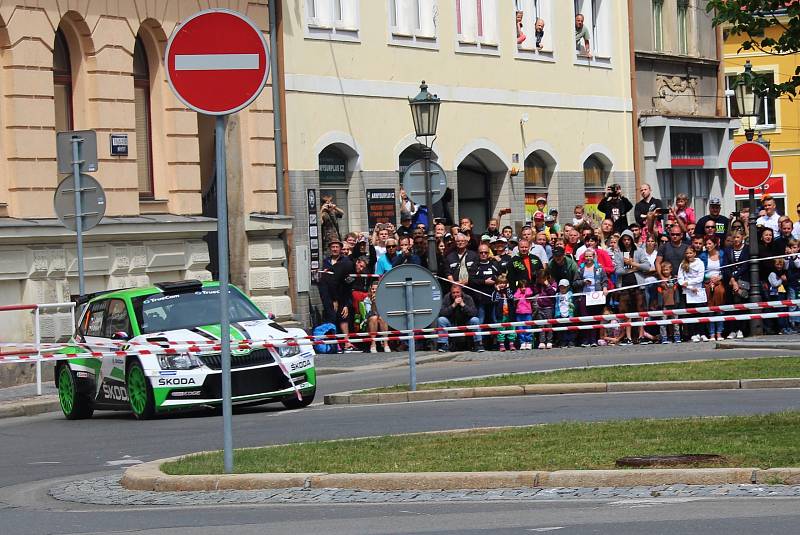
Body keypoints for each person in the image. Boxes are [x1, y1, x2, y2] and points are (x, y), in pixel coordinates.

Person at [613, 229, 653, 344]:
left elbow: (647, 266)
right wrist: (632, 269)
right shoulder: (619, 253)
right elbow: (618, 270)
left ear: (632, 239)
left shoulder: (639, 251)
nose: (626, 242)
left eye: (628, 239)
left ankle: (641, 335)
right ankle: (628, 337)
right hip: (625, 286)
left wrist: (633, 264)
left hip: (638, 285)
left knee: (640, 311)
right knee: (627, 312)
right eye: (624, 239)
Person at [319, 239, 356, 352]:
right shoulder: (326, 262)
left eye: (337, 247)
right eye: (333, 247)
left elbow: (350, 280)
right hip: (328, 295)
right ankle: (335, 344)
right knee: (331, 317)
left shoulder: (346, 262)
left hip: (342, 293)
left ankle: (346, 342)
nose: (335, 249)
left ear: (340, 249)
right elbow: (325, 279)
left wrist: (344, 301)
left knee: (343, 317)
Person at [574, 248, 608, 347]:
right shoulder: (580, 268)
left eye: (590, 256)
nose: (588, 258)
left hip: (596, 296)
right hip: (584, 295)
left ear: (594, 257)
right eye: (587, 256)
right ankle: (585, 340)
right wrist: (583, 282)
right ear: (584, 257)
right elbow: (575, 282)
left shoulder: (599, 268)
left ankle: (593, 340)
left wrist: (605, 288)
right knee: (585, 318)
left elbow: (604, 280)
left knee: (594, 318)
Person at [436, 284, 482, 352]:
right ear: (451, 293)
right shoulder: (447, 297)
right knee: (441, 320)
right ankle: (443, 344)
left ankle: (478, 344)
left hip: (466, 322)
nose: (456, 294)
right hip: (452, 322)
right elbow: (442, 313)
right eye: (453, 293)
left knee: (475, 320)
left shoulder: (467, 298)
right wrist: (453, 305)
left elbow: (474, 313)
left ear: (461, 292)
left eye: (457, 292)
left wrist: (463, 305)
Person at [700, 236, 728, 341]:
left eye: (709, 244)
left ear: (715, 244)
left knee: (720, 308)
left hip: (719, 281)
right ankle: (711, 333)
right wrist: (709, 278)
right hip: (707, 282)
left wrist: (719, 278)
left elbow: (725, 270)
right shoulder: (703, 256)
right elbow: (701, 272)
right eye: (706, 244)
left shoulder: (722, 254)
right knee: (710, 309)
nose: (707, 246)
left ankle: (719, 332)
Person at [677, 247, 707, 342]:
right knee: (691, 314)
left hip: (698, 291)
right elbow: (680, 279)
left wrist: (688, 282)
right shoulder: (683, 264)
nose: (689, 255)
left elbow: (700, 278)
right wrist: (689, 287)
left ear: (694, 253)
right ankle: (693, 334)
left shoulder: (700, 263)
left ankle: (702, 333)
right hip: (688, 292)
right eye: (687, 253)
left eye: (690, 253)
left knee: (701, 312)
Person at [469, 244, 499, 337]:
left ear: (488, 253)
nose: (483, 254)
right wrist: (484, 282)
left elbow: (500, 276)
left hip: (493, 298)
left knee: (494, 320)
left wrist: (495, 281)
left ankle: (497, 342)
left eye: (485, 252)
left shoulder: (493, 264)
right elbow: (471, 280)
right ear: (478, 253)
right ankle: (479, 342)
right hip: (480, 299)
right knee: (480, 320)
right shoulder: (475, 266)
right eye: (481, 252)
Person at [654, 261, 681, 344]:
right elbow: (659, 293)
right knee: (663, 322)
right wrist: (660, 303)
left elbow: (676, 291)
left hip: (674, 304)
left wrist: (677, 301)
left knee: (675, 322)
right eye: (663, 270)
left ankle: (677, 337)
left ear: (670, 269)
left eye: (667, 270)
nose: (665, 271)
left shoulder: (674, 280)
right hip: (664, 305)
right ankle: (664, 338)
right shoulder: (660, 282)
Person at [492, 274, 517, 351]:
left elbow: (512, 298)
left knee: (511, 329)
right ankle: (501, 345)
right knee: (501, 330)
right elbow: (494, 300)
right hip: (501, 315)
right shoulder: (495, 292)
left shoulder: (509, 291)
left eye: (504, 283)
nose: (502, 285)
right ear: (496, 284)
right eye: (500, 283)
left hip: (510, 314)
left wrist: (507, 289)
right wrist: (497, 290)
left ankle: (511, 344)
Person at [533, 271, 557, 349]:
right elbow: (536, 292)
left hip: (548, 307)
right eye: (538, 278)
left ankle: (549, 341)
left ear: (546, 277)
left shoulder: (553, 283)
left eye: (541, 278)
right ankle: (542, 341)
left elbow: (553, 293)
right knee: (541, 325)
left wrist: (547, 285)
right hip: (539, 307)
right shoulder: (537, 284)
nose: (540, 280)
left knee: (549, 324)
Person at [555, 279, 576, 347]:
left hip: (569, 314)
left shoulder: (570, 294)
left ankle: (571, 341)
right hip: (560, 314)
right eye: (561, 287)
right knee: (561, 329)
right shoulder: (557, 295)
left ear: (568, 287)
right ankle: (563, 341)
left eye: (564, 287)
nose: (562, 289)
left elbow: (573, 304)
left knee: (570, 328)